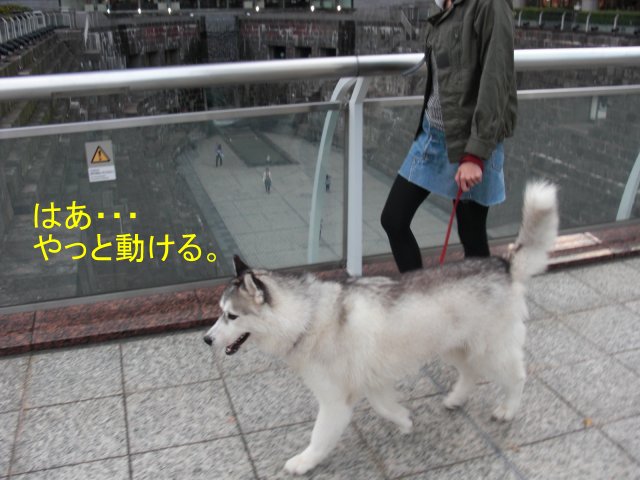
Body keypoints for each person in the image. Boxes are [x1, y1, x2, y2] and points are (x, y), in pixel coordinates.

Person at [380, 0, 517, 273]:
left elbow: (496, 78)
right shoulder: (444, 3)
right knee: (393, 219)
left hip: (471, 139)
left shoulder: (491, 4)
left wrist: (475, 154)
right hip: (433, 135)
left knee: (472, 235)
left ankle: (490, 298)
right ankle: (421, 293)